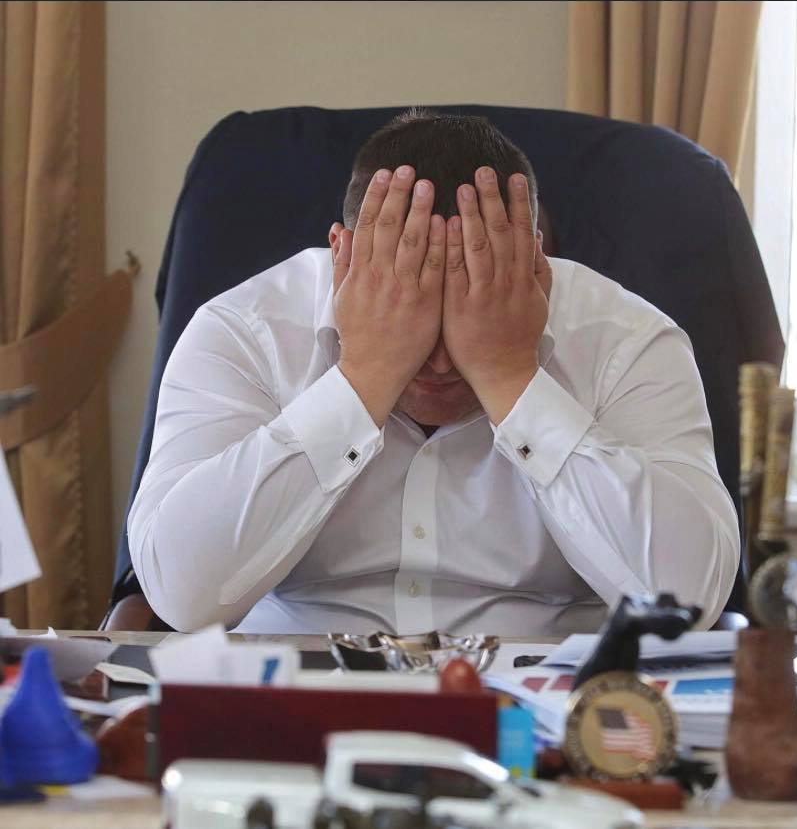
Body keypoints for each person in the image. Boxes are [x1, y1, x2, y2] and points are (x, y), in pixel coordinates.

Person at [127, 109, 740, 635]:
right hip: (297, 683)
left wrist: (512, 378)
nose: (444, 361)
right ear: (343, 260)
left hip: (550, 694)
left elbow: (687, 602)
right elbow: (183, 596)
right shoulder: (244, 330)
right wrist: (363, 376)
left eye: (470, 312)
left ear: (536, 268)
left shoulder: (628, 340)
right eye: (408, 308)